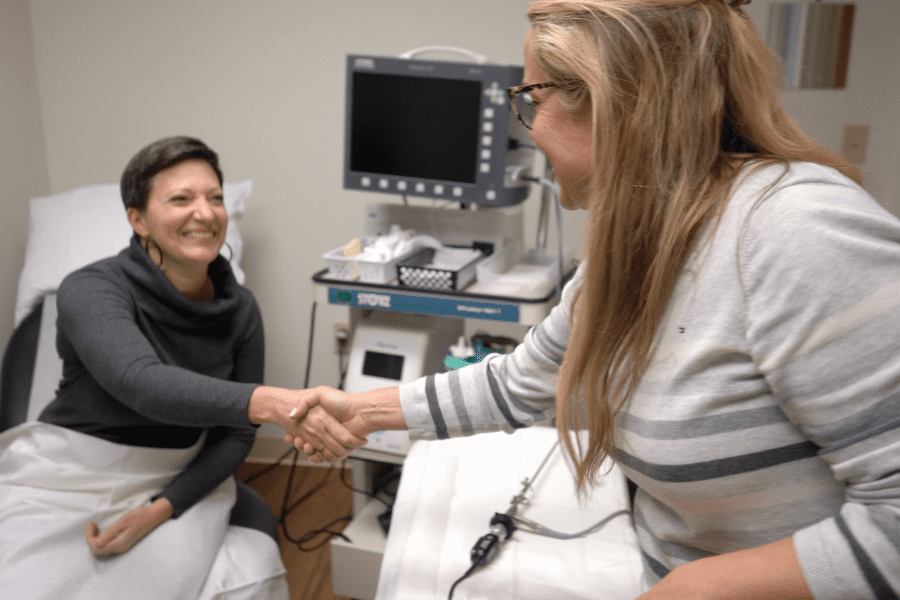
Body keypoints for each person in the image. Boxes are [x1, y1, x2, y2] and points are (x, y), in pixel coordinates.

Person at [286, 1, 900, 599]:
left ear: (611, 100)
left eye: (531, 99)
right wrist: (362, 412)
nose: (523, 128)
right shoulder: (640, 239)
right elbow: (521, 382)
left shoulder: (799, 231)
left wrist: (695, 587)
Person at [0, 136, 361, 599]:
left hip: (174, 475)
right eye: (181, 199)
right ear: (138, 220)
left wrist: (162, 508)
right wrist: (273, 402)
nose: (206, 213)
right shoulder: (90, 289)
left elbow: (236, 435)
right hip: (67, 473)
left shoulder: (241, 309)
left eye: (215, 198)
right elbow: (140, 381)